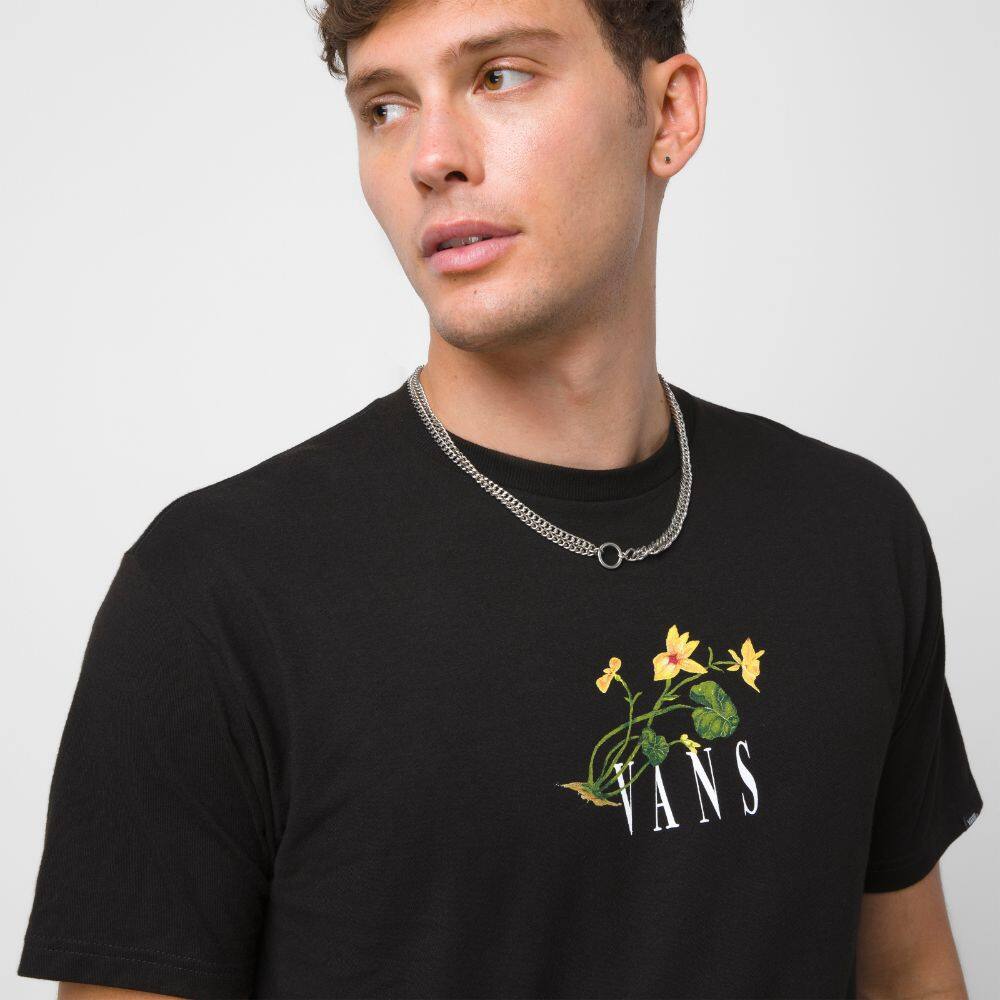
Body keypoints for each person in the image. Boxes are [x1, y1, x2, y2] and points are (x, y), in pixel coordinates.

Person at [17, 1, 984, 998]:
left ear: (669, 115)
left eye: (500, 76)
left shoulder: (852, 533)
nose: (430, 157)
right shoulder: (211, 598)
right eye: (385, 107)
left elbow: (907, 977)